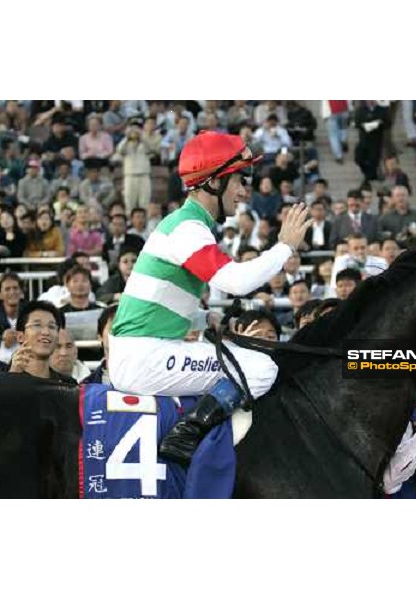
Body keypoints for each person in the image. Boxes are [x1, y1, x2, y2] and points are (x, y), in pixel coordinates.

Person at [108, 131, 312, 466]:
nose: (244, 191)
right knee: (261, 368)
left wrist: (207, 319)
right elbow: (236, 281)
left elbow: (165, 299)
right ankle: (188, 434)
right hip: (144, 358)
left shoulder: (187, 224)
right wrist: (285, 246)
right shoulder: (188, 228)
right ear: (213, 182)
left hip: (145, 351)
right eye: (239, 180)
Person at [8, 300, 76, 383]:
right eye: (37, 325)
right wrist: (12, 377)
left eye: (51, 327)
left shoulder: (68, 385)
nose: (46, 332)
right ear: (20, 337)